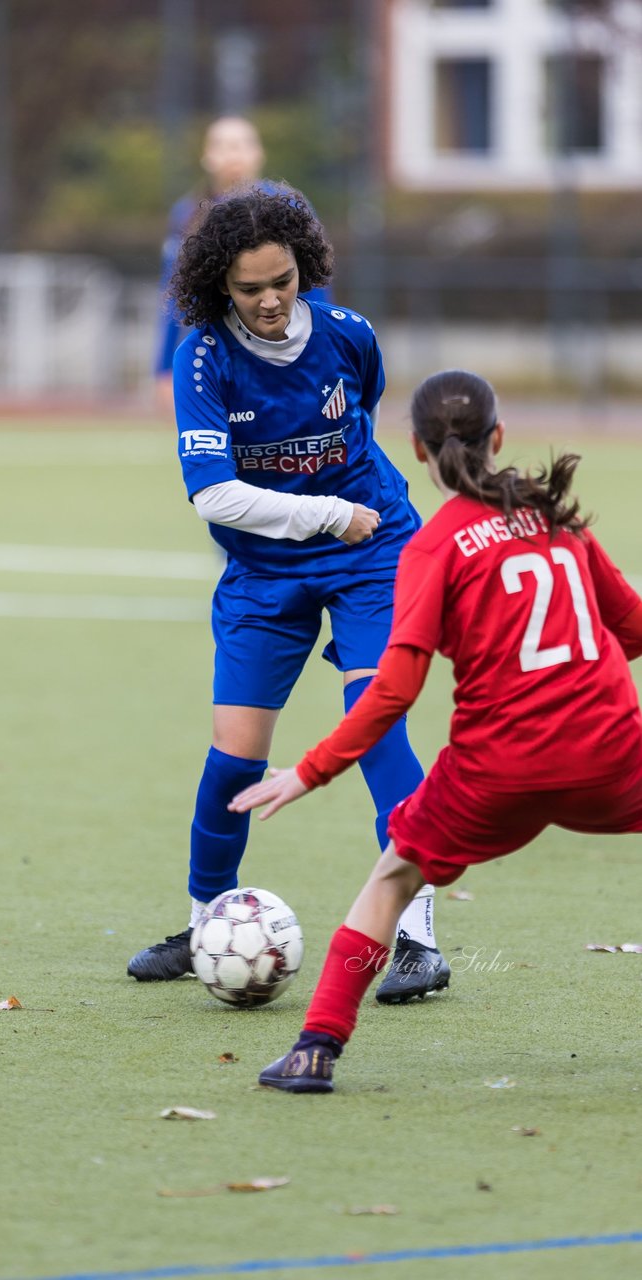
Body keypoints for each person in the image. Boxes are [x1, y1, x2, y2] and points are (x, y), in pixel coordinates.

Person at [229, 368, 642, 1093]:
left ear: (418, 450)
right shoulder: (556, 519)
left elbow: (393, 690)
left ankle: (316, 1051)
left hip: (495, 772)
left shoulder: (432, 546)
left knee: (392, 878)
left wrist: (311, 770)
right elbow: (631, 629)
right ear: (499, 436)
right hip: (611, 752)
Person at [128, 185, 451, 1002]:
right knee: (236, 755)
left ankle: (417, 938)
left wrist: (348, 517)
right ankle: (206, 924)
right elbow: (214, 495)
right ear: (218, 286)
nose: (271, 300)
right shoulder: (202, 358)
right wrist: (324, 512)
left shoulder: (349, 335)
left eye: (284, 280)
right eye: (251, 289)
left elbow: (362, 415)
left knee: (375, 725)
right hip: (268, 568)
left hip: (372, 552)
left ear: (304, 267)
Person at [153, 117, 329, 417]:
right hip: (217, 354)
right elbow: (174, 292)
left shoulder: (287, 204)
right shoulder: (187, 214)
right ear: (207, 156)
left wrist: (322, 350)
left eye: (242, 145)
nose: (233, 154)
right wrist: (165, 367)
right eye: (223, 146)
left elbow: (316, 284)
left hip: (280, 351)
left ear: (259, 154)